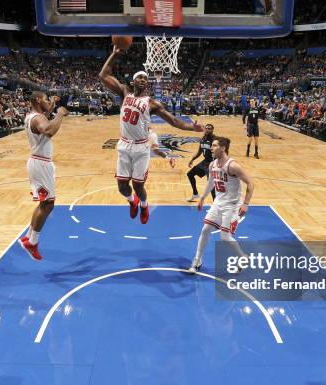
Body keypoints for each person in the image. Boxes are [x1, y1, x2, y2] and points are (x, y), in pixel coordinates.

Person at [99, 45, 203, 224]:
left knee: (138, 185)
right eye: (139, 77)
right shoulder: (125, 92)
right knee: (123, 187)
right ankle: (132, 202)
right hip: (124, 145)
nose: (143, 79)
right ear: (133, 81)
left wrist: (192, 128)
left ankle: (144, 205)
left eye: (145, 78)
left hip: (141, 147)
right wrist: (114, 54)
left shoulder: (152, 103)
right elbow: (103, 76)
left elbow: (174, 121)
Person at [188, 137, 254, 274]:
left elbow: (251, 184)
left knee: (224, 237)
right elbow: (211, 182)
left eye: (214, 146)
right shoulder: (212, 164)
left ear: (223, 148)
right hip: (218, 202)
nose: (211, 148)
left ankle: (243, 257)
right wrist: (202, 198)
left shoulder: (233, 166)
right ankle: (197, 260)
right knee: (205, 230)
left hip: (231, 205)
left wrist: (246, 204)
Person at [19, 92, 69, 261]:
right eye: (47, 99)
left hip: (38, 162)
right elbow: (48, 129)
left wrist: (52, 106)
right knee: (48, 205)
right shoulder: (36, 119)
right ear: (38, 100)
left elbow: (44, 119)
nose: (49, 101)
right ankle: (32, 242)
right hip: (40, 164)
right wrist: (60, 113)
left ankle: (28, 236)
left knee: (44, 203)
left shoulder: (34, 116)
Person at [187, 123, 216, 202]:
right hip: (205, 162)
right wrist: (192, 159)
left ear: (212, 130)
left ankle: (215, 204)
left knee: (210, 184)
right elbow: (199, 151)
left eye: (209, 128)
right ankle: (195, 194)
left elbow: (220, 152)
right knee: (190, 174)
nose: (207, 129)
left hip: (212, 163)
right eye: (206, 128)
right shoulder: (203, 138)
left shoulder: (215, 140)